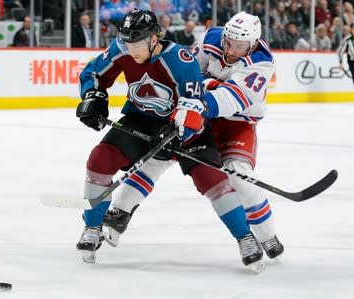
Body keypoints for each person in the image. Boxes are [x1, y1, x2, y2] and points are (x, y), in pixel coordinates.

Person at [75, 8, 265, 272]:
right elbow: (93, 74)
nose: (131, 48)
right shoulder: (121, 49)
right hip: (140, 119)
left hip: (185, 125)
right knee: (99, 159)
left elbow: (195, 104)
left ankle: (245, 237)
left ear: (154, 39)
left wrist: (181, 130)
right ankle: (93, 226)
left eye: (137, 42)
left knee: (212, 180)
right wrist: (93, 97)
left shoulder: (180, 60)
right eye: (127, 41)